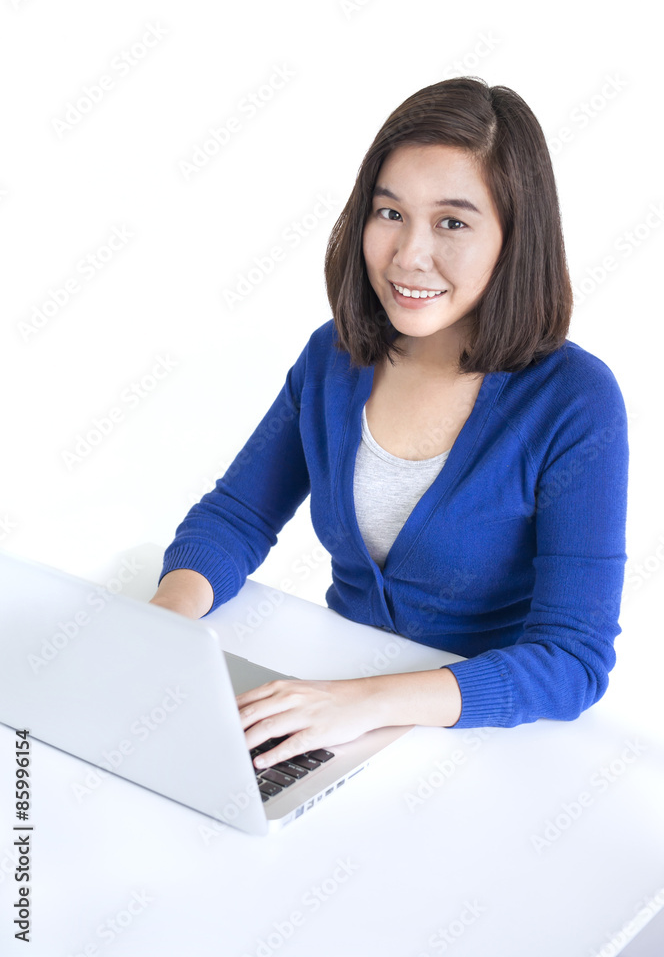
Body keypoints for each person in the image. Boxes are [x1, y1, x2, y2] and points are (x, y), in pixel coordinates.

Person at [149, 77, 629, 774]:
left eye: (453, 223)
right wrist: (161, 623)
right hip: (333, 709)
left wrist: (365, 703)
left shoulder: (575, 400)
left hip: (481, 744)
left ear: (515, 238)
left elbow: (572, 659)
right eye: (390, 212)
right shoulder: (333, 357)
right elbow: (237, 518)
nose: (407, 255)